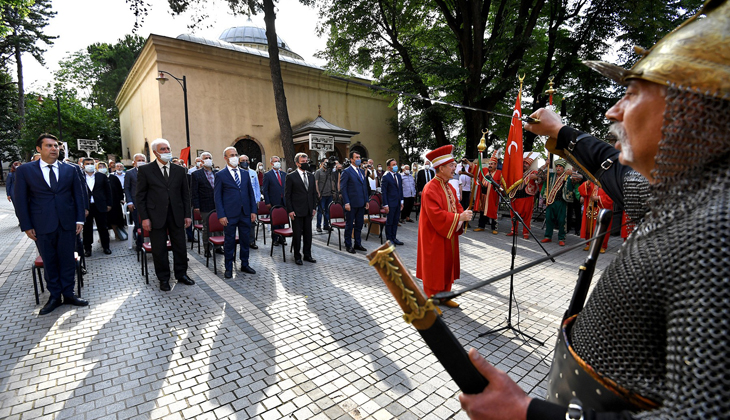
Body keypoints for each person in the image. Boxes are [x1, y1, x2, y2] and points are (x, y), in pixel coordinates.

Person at [459, 2, 729, 418]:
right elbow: (619, 179)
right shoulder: (688, 191)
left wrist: (528, 413)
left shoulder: (718, 230)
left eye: (633, 93)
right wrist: (560, 132)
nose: (613, 110)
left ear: (689, 109)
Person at [13, 133, 88, 315]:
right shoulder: (25, 171)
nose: (54, 149)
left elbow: (79, 196)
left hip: (67, 223)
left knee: (67, 260)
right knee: (50, 261)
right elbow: (20, 200)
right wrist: (26, 225)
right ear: (39, 149)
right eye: (49, 146)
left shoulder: (70, 169)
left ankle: (69, 294)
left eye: (56, 146)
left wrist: (79, 219)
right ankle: (55, 296)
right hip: (42, 224)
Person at [416, 145, 472, 308]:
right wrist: (458, 217)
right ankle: (431, 300)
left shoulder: (448, 186)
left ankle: (444, 296)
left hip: (448, 234)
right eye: (452, 165)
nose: (455, 168)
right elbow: (436, 215)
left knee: (447, 266)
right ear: (441, 168)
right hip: (434, 236)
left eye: (454, 165)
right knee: (435, 268)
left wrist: (463, 215)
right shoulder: (430, 188)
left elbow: (457, 204)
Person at [136, 138, 194, 291]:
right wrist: (145, 218)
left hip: (177, 214)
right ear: (155, 152)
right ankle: (163, 278)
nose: (167, 151)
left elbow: (185, 195)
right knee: (159, 249)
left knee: (180, 246)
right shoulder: (145, 170)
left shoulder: (179, 170)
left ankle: (181, 274)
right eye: (163, 149)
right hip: (156, 216)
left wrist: (187, 215)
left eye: (168, 148)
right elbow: (140, 196)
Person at [214, 147, 257, 278]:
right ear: (225, 158)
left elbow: (251, 193)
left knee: (245, 240)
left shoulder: (244, 173)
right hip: (229, 215)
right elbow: (217, 197)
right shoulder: (220, 175)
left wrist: (253, 211)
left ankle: (245, 263)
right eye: (231, 155)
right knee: (229, 241)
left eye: (235, 154)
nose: (234, 157)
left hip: (245, 213)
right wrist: (221, 215)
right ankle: (228, 267)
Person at [285, 153, 318, 265]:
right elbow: (287, 195)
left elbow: (313, 193)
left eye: (306, 161)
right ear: (297, 163)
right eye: (303, 162)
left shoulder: (311, 176)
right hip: (296, 211)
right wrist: (290, 210)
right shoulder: (291, 176)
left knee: (308, 234)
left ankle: (307, 255)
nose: (305, 163)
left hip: (308, 210)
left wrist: (314, 207)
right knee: (297, 235)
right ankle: (297, 256)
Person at [539, 159, 575, 246]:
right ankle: (548, 236)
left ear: (563, 168)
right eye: (557, 166)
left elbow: (579, 178)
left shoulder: (568, 175)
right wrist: (545, 165)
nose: (558, 168)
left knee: (562, 220)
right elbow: (539, 175)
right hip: (551, 201)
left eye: (560, 167)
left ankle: (561, 238)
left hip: (561, 201)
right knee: (548, 219)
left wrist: (572, 172)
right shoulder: (551, 175)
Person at [340, 151, 369, 254]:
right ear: (351, 159)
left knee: (359, 224)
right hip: (351, 204)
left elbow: (364, 187)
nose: (358, 159)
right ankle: (348, 244)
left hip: (361, 203)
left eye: (359, 157)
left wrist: (366, 200)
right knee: (349, 225)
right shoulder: (346, 172)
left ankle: (358, 243)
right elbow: (343, 188)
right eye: (356, 157)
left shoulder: (361, 171)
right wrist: (346, 202)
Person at [82, 159, 113, 256]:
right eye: (87, 164)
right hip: (86, 207)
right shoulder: (80, 177)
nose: (90, 165)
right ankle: (87, 249)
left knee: (103, 227)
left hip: (100, 205)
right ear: (83, 165)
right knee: (87, 229)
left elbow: (108, 191)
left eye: (91, 164)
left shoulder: (101, 176)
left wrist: (109, 204)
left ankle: (106, 247)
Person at [507, 154, 541, 239]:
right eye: (524, 163)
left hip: (527, 197)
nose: (525, 165)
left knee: (527, 216)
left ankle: (526, 233)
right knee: (513, 215)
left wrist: (536, 177)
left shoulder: (533, 172)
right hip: (515, 197)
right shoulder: (517, 171)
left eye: (527, 164)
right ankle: (513, 231)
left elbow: (542, 178)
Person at [191, 152, 218, 257]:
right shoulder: (196, 174)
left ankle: (218, 246)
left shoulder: (217, 173)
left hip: (217, 204)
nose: (208, 159)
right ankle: (207, 248)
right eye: (205, 158)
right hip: (205, 204)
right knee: (207, 227)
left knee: (220, 225)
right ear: (201, 161)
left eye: (209, 158)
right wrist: (196, 206)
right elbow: (194, 191)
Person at [578, 180, 613, 253]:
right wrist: (586, 184)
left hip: (601, 209)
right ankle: (589, 243)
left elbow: (611, 196)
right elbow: (581, 190)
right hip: (590, 209)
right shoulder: (591, 181)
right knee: (589, 227)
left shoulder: (607, 182)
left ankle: (602, 246)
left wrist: (598, 198)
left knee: (601, 227)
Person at [473, 154, 501, 234]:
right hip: (483, 194)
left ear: (496, 165)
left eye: (492, 164)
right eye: (489, 164)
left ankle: (494, 228)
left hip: (492, 196)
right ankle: (481, 226)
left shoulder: (499, 173)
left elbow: (501, 184)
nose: (490, 165)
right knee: (482, 211)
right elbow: (476, 169)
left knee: (493, 211)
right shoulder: (485, 170)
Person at [262, 155, 287, 244]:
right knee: (275, 220)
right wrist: (267, 202)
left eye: (278, 161)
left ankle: (282, 238)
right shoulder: (268, 175)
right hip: (273, 201)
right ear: (271, 163)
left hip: (283, 201)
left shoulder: (284, 174)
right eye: (275, 161)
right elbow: (265, 190)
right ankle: (275, 238)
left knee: (282, 219)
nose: (277, 162)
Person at [124, 153, 146, 250]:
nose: (141, 162)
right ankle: (139, 244)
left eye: (142, 160)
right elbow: (127, 188)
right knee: (138, 223)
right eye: (139, 160)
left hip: (149, 202)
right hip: (135, 203)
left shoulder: (149, 172)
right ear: (134, 162)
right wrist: (129, 202)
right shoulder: (129, 173)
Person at [380, 158, 404, 246]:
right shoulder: (386, 177)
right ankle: (389, 239)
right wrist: (385, 204)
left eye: (396, 164)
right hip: (390, 203)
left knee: (395, 221)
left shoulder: (398, 176)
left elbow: (400, 189)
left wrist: (401, 201)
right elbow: (384, 192)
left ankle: (394, 237)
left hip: (397, 202)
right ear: (389, 167)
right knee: (389, 222)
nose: (395, 166)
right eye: (393, 165)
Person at [239, 154, 260, 249]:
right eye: (243, 160)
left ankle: (251, 241)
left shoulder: (253, 172)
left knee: (252, 222)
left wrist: (257, 200)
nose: (245, 162)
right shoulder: (238, 173)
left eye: (246, 160)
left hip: (252, 201)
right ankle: (243, 240)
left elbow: (256, 186)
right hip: (241, 202)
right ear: (239, 162)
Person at [314, 158, 335, 232]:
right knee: (320, 211)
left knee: (328, 210)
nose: (327, 163)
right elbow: (316, 183)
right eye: (325, 162)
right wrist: (318, 192)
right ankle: (318, 226)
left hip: (329, 194)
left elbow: (332, 181)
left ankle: (326, 225)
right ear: (322, 163)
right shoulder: (318, 172)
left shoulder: (330, 172)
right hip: (322, 195)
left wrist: (333, 191)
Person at [107, 162, 127, 241]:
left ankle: (118, 234)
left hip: (116, 200)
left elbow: (119, 188)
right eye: (117, 166)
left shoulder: (114, 178)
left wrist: (121, 198)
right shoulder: (109, 176)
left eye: (121, 166)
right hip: (105, 202)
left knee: (116, 219)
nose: (119, 168)